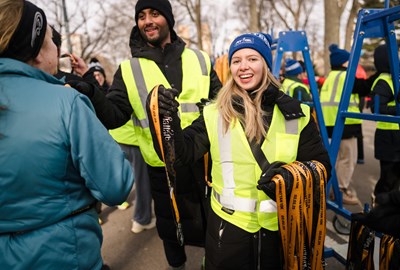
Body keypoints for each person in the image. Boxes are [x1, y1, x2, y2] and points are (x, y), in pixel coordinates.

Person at [147, 32, 331, 269]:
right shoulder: (213, 113)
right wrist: (166, 120)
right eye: (237, 60)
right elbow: (179, 155)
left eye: (252, 59)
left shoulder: (296, 114)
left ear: (265, 64)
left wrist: (290, 177)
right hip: (227, 233)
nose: (243, 66)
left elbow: (322, 168)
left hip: (279, 232)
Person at [69, 0, 222, 268]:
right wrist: (92, 91)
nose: (147, 20)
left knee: (212, 225)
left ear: (169, 19)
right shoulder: (128, 69)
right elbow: (116, 115)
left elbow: (221, 103)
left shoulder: (199, 59)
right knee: (171, 233)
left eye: (154, 13)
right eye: (141, 16)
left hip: (204, 164)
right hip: (161, 169)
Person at [0, 1, 134, 269]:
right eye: (50, 40)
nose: (57, 50)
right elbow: (116, 185)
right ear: (37, 51)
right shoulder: (67, 102)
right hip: (65, 254)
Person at [321, 44, 375, 205]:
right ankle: (340, 190)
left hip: (328, 123)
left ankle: (332, 186)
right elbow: (364, 87)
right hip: (345, 123)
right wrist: (379, 73)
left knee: (336, 158)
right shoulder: (346, 76)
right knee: (347, 158)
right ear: (344, 63)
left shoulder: (331, 76)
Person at [369, 44, 400, 201]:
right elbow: (377, 108)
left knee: (396, 179)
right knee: (389, 178)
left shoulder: (395, 79)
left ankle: (389, 208)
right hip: (388, 137)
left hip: (395, 135)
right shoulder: (383, 81)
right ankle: (379, 204)